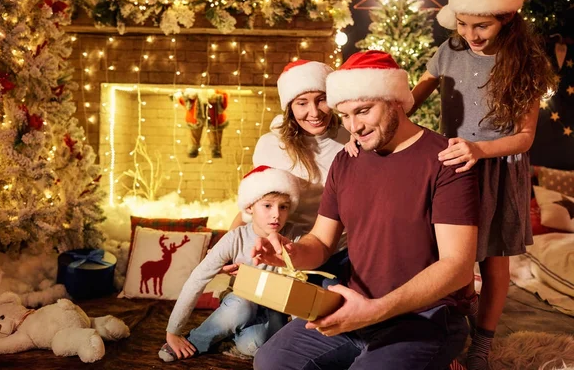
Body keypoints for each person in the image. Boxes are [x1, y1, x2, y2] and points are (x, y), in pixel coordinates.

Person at [252, 50, 480, 370]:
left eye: (363, 111)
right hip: (351, 309)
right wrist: (290, 253)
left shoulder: (446, 160)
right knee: (270, 361)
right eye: (344, 115)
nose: (353, 126)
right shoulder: (347, 160)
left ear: (395, 100)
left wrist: (375, 310)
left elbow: (457, 265)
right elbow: (320, 241)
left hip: (423, 320)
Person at [406, 0, 556, 368]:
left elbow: (524, 137)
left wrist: (480, 148)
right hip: (452, 166)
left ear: (506, 17)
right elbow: (409, 101)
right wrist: (371, 119)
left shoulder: (526, 61)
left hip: (497, 169)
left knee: (492, 262)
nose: (470, 33)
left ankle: (482, 346)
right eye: (463, 23)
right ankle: (447, 335)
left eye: (482, 25)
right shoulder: (449, 50)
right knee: (444, 259)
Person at [159, 165, 301, 362]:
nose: (276, 214)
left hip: (274, 307)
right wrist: (173, 331)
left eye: (283, 206)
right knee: (241, 306)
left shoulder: (297, 236)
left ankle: (231, 337)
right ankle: (195, 341)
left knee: (255, 346)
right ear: (250, 207)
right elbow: (197, 279)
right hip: (241, 302)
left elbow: (303, 288)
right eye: (267, 205)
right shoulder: (235, 238)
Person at [227, 59, 351, 281]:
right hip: (282, 253)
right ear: (290, 108)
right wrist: (228, 250)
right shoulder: (271, 146)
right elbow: (254, 205)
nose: (314, 112)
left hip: (339, 252)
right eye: (302, 103)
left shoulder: (351, 139)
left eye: (321, 100)